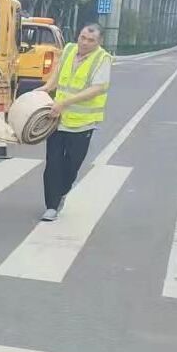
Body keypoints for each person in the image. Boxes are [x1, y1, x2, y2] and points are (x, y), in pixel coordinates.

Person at [39, 23, 112, 221]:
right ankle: (51, 206)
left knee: (72, 165)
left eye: (91, 40)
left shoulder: (102, 59)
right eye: (82, 37)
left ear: (99, 42)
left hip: (82, 123)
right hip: (57, 119)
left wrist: (65, 102)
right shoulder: (69, 49)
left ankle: (62, 192)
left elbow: (97, 88)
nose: (85, 43)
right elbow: (57, 74)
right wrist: (46, 88)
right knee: (53, 163)